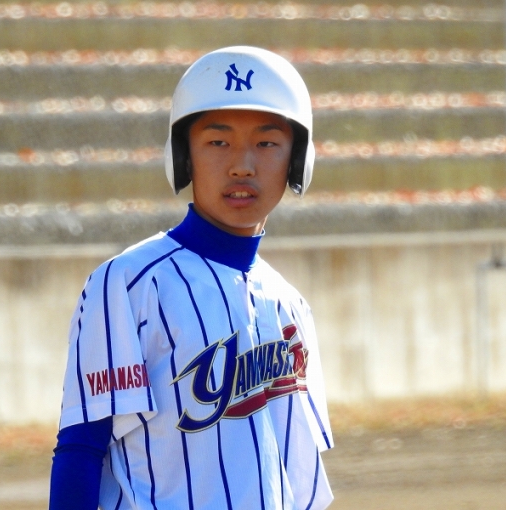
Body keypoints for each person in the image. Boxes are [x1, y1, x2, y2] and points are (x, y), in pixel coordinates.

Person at [49, 45, 334, 510]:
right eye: (218, 142)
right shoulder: (128, 284)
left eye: (266, 143)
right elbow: (82, 446)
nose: (242, 165)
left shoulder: (290, 305)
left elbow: (301, 477)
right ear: (184, 156)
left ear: (297, 160)